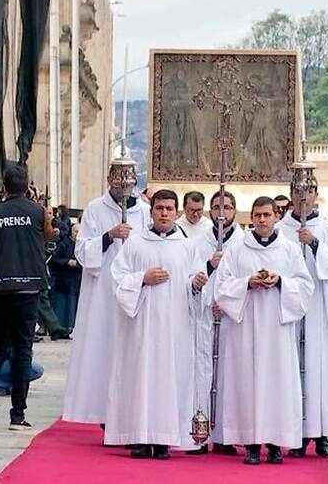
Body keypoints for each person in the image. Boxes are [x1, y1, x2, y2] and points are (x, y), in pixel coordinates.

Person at [214, 196, 314, 465]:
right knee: (246, 383)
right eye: (257, 215)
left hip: (277, 330)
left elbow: (305, 286)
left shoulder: (289, 250)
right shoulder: (237, 249)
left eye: (266, 215)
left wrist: (280, 281)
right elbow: (221, 287)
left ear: (276, 217)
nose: (261, 220)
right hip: (245, 329)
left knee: (277, 383)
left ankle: (274, 443)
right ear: (251, 219)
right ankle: (250, 443)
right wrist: (248, 283)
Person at [105, 189, 204, 459]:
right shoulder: (136, 244)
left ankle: (164, 439)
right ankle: (139, 437)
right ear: (151, 212)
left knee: (170, 379)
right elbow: (118, 278)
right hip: (141, 327)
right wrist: (142, 278)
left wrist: (195, 284)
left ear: (176, 212)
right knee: (140, 377)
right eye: (159, 208)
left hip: (175, 326)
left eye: (169, 209)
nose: (163, 213)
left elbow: (195, 276)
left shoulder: (186, 246)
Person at [63, 159, 150, 425]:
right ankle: (103, 412)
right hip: (103, 292)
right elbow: (82, 249)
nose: (123, 187)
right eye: (119, 182)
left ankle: (132, 411)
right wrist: (108, 236)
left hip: (135, 287)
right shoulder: (95, 209)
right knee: (105, 348)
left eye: (128, 182)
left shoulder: (145, 212)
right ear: (110, 180)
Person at [0, 164, 52, 430]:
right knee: (23, 351)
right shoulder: (39, 213)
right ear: (27, 185)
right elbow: (50, 234)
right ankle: (17, 414)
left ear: (4, 186)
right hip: (29, 288)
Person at [276, 165, 328, 458]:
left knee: (321, 367)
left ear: (316, 194)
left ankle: (321, 432)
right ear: (291, 195)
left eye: (308, 192)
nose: (302, 197)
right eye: (297, 192)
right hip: (289, 304)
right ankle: (294, 432)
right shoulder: (280, 230)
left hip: (320, 303)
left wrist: (315, 244)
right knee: (290, 365)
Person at [189, 190, 244, 455]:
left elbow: (247, 279)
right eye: (217, 207)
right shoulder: (198, 242)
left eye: (228, 207)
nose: (222, 213)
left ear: (235, 210)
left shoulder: (245, 243)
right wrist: (208, 269)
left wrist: (228, 300)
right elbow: (190, 277)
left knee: (230, 374)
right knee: (202, 371)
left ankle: (226, 434)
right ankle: (199, 432)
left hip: (233, 318)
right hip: (203, 316)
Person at [50, 222, 82, 331]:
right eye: (75, 231)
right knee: (61, 305)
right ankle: (61, 328)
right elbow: (54, 260)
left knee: (73, 305)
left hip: (77, 280)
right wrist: (67, 262)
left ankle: (72, 327)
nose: (77, 234)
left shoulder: (83, 245)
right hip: (64, 279)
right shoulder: (63, 244)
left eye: (79, 232)